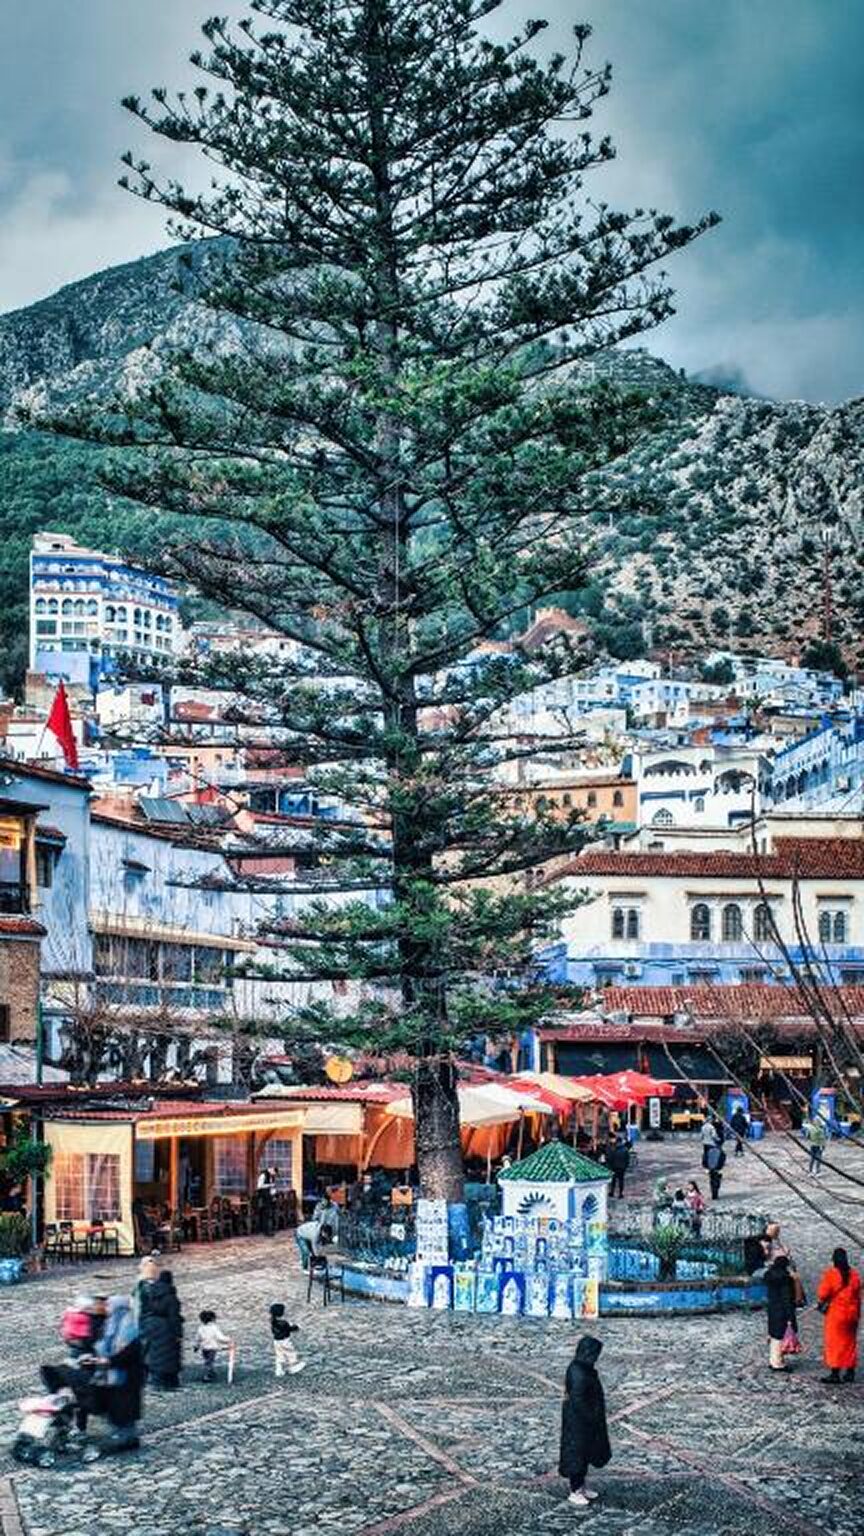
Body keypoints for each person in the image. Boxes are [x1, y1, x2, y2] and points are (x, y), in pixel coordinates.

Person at [558, 1335, 611, 1508]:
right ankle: (575, 1491)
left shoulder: (582, 1368)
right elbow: (578, 1400)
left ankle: (581, 1487)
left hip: (583, 1421)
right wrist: (592, 1417)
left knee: (584, 1453)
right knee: (577, 1455)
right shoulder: (578, 1372)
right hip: (578, 1422)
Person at [95, 1296, 144, 1448]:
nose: (108, 1309)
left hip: (128, 1377)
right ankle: (122, 1435)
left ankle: (128, 1437)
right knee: (117, 1406)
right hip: (114, 1375)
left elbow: (130, 1353)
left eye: (110, 1306)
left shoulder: (130, 1329)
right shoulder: (112, 1325)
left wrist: (110, 1361)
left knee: (125, 1408)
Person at [817, 1247, 862, 1384]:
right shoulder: (854, 1274)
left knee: (834, 1343)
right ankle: (850, 1371)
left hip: (837, 1314)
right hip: (852, 1314)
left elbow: (822, 1293)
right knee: (850, 1343)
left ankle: (835, 1373)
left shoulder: (831, 1274)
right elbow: (858, 1294)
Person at [138, 1268, 183, 1391]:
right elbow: (174, 1316)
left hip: (151, 1326)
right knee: (169, 1354)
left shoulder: (151, 1293)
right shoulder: (171, 1297)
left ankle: (156, 1378)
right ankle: (169, 1381)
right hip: (166, 1328)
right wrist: (178, 1333)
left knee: (155, 1352)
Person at [765, 1254, 797, 1372]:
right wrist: (790, 1316)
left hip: (772, 1308)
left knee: (774, 1335)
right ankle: (777, 1363)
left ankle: (774, 1360)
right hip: (782, 1310)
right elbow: (786, 1298)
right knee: (780, 1336)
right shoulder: (785, 1279)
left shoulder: (770, 1276)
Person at [195, 1310, 234, 1383]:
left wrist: (196, 1346)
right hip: (212, 1348)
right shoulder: (214, 1328)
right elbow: (220, 1337)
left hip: (204, 1348)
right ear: (213, 1319)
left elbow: (198, 1338)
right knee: (209, 1362)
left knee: (207, 1361)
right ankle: (207, 1375)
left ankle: (211, 1373)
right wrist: (229, 1339)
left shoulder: (200, 1328)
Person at [269, 1303, 305, 1377]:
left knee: (280, 1354)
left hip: (276, 1341)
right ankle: (293, 1366)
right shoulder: (284, 1323)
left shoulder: (273, 1321)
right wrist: (296, 1327)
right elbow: (289, 1329)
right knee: (290, 1352)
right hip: (285, 1340)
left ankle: (279, 1369)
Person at [605, 1136, 630, 1200]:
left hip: (614, 1167)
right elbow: (627, 1159)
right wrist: (625, 1166)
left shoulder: (613, 1149)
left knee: (613, 1180)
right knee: (621, 1181)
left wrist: (609, 1165)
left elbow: (610, 1158)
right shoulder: (625, 1149)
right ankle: (620, 1193)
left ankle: (612, 1192)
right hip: (622, 1168)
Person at [257, 1164, 276, 1235]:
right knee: (265, 1214)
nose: (274, 1174)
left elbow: (272, 1187)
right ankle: (265, 1231)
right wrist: (269, 1185)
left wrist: (273, 1195)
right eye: (274, 1172)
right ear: (271, 1169)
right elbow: (259, 1186)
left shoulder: (271, 1177)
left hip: (269, 1197)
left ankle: (269, 1229)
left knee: (269, 1214)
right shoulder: (263, 1175)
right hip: (263, 1198)